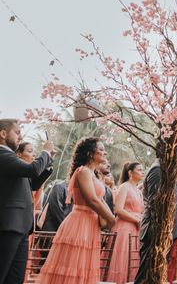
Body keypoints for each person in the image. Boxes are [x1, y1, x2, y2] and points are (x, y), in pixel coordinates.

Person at [38, 137, 116, 284]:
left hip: (90, 224)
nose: (104, 152)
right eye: (100, 149)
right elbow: (92, 200)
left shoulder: (93, 174)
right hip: (80, 222)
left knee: (84, 267)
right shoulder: (83, 171)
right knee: (73, 266)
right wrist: (111, 219)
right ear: (90, 153)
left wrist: (110, 217)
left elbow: (100, 200)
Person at [0, 119, 54, 284]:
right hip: (8, 226)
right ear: (2, 133)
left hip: (21, 226)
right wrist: (45, 152)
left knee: (15, 278)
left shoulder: (10, 158)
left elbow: (31, 183)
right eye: (17, 132)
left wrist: (47, 163)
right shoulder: (2, 154)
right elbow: (31, 170)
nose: (20, 135)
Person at [135, 149, 177, 284]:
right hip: (155, 233)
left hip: (164, 233)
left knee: (156, 276)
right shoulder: (157, 171)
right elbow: (155, 204)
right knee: (146, 275)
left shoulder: (166, 170)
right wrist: (163, 231)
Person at [106, 162, 145, 284]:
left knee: (133, 262)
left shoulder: (138, 191)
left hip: (136, 229)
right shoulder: (124, 187)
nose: (142, 172)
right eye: (139, 170)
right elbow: (118, 209)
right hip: (124, 228)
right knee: (121, 261)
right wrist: (137, 219)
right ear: (130, 173)